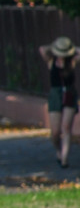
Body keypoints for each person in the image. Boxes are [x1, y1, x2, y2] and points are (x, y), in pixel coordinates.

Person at [38, 36, 80, 167]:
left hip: (69, 93)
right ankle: (58, 150)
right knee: (55, 131)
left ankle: (64, 159)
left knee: (66, 127)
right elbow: (42, 49)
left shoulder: (71, 61)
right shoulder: (51, 61)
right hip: (56, 94)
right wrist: (55, 48)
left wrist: (71, 49)